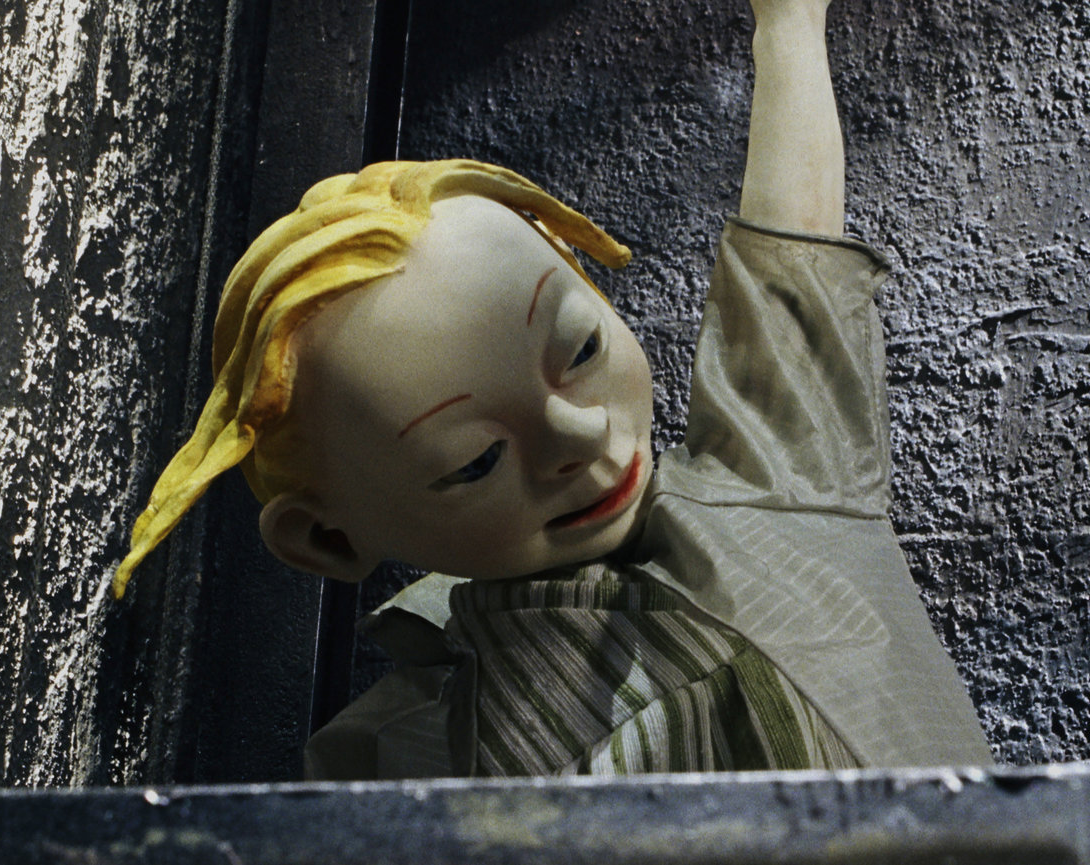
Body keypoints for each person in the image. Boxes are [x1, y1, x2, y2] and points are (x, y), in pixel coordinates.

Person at [115, 0, 991, 778]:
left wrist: (790, 23)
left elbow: (788, 260)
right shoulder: (392, 758)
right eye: (475, 459)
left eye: (580, 348)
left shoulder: (775, 483)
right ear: (326, 537)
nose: (578, 434)